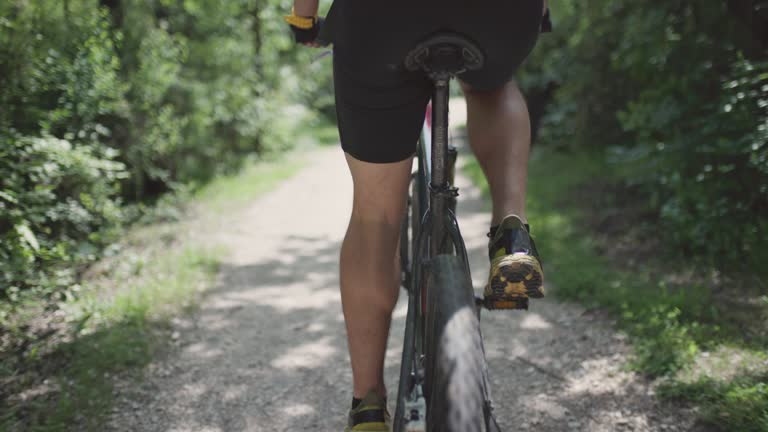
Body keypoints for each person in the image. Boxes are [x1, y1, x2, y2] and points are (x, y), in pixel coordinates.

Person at [285, 1, 550, 430]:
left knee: (376, 217)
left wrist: (303, 20)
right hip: (499, 14)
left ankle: (367, 407)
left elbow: (307, 12)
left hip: (381, 21)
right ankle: (512, 234)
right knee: (493, 85)